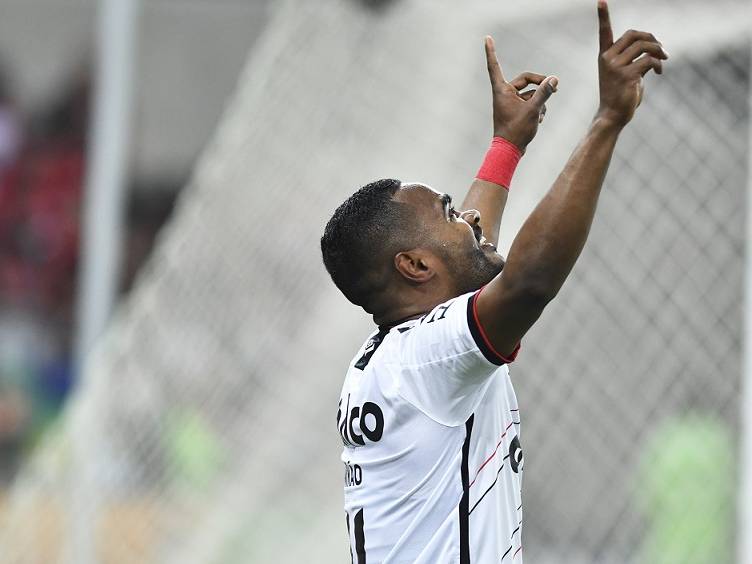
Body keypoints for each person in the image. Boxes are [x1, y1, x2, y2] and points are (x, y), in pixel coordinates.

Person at [320, 2, 667, 562]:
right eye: (450, 210)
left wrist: (506, 146)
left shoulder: (391, 360)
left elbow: (467, 254)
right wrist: (607, 121)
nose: (472, 218)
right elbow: (529, 282)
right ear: (414, 267)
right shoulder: (426, 361)